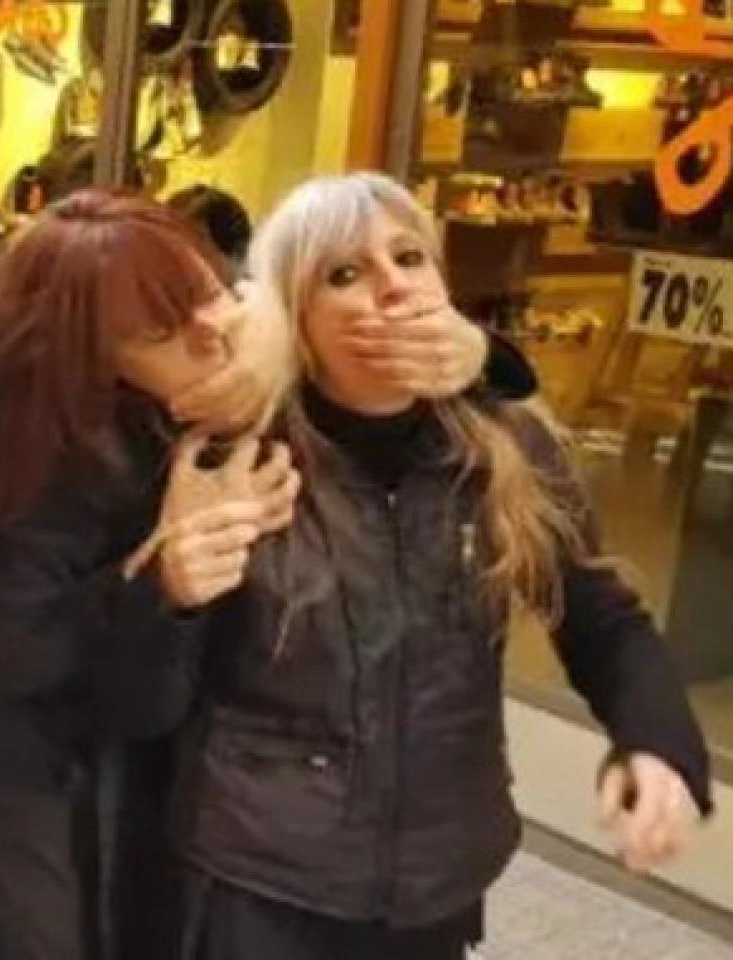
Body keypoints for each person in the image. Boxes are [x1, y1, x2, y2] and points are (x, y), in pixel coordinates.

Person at [104, 173, 712, 959]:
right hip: (263, 878)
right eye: (344, 273)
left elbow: (602, 618)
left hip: (438, 872)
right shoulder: (241, 456)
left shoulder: (504, 446)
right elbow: (139, 702)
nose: (393, 285)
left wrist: (657, 743)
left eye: (410, 257)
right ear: (293, 320)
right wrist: (173, 592)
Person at [0, 189, 538, 960]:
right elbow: (36, 670)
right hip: (65, 784)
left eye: (211, 293)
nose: (210, 329)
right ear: (98, 364)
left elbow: (441, 370)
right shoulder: (58, 472)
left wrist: (473, 350)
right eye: (161, 328)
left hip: (236, 801)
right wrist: (160, 571)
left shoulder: (252, 374)